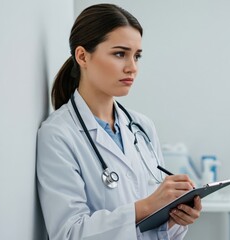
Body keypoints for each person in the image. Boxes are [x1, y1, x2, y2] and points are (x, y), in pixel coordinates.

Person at [36, 4, 201, 240]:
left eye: (137, 56)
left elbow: (155, 226)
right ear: (82, 56)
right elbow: (69, 233)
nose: (132, 67)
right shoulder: (58, 134)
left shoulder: (142, 126)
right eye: (120, 54)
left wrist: (174, 218)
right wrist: (148, 205)